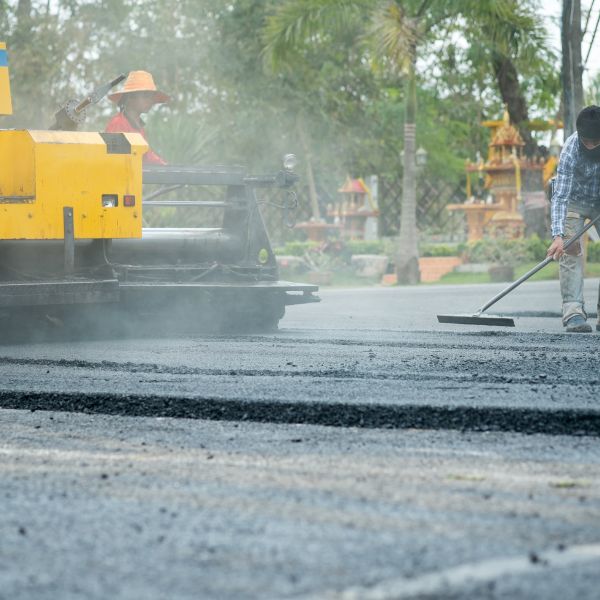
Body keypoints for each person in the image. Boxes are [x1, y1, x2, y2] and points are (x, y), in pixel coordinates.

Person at [546, 105, 600, 333]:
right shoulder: (570, 149)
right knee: (570, 250)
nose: (589, 145)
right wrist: (558, 236)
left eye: (594, 142)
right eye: (585, 141)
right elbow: (560, 196)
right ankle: (573, 312)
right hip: (574, 201)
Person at [105, 70, 169, 165]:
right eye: (146, 96)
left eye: (151, 97)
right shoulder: (117, 123)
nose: (151, 101)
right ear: (130, 98)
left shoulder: (139, 127)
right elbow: (116, 161)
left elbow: (146, 155)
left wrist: (164, 165)